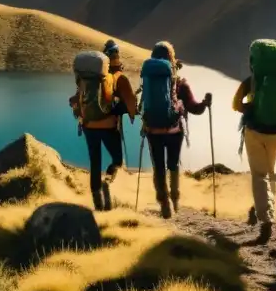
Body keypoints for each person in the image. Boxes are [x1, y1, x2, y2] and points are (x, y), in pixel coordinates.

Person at [231, 39, 276, 243]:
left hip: (254, 131)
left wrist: (249, 108)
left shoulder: (250, 82)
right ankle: (262, 207)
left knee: (259, 175)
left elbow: (236, 104)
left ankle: (266, 216)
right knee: (269, 172)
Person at [140, 41, 211, 219]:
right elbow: (194, 108)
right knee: (173, 165)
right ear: (172, 59)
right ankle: (175, 199)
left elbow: (144, 106)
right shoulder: (180, 84)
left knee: (158, 166)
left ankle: (163, 201)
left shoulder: (148, 81)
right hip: (174, 131)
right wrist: (205, 104)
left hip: (153, 130)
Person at [70, 39, 137, 211]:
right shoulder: (118, 77)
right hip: (108, 127)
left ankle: (97, 202)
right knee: (117, 160)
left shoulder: (90, 77)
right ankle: (108, 182)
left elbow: (78, 99)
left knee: (94, 163)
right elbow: (130, 100)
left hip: (88, 126)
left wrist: (80, 114)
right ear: (117, 57)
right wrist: (132, 113)